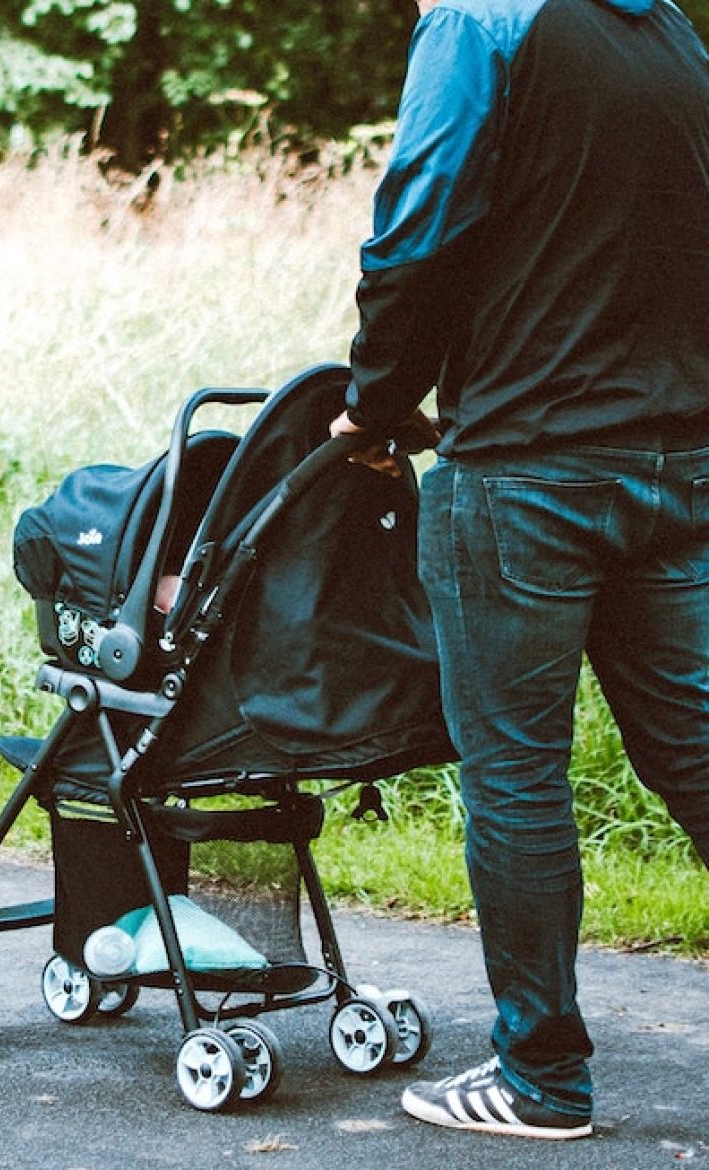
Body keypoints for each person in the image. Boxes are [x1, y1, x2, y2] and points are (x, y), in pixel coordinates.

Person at [328, 0, 709, 1142]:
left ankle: (540, 1081)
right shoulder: (672, 35)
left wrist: (376, 406)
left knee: (517, 777)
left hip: (527, 472)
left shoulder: (481, 25)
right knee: (698, 750)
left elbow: (416, 226)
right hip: (680, 460)